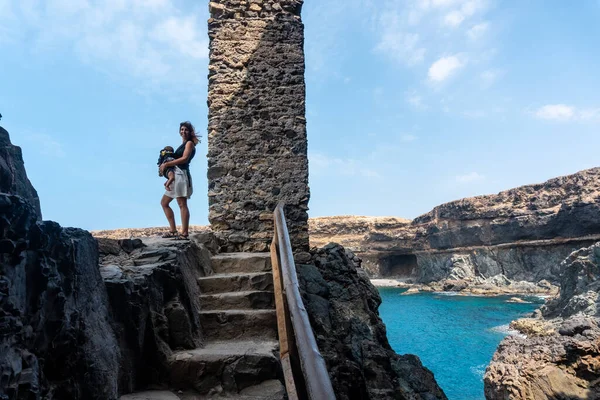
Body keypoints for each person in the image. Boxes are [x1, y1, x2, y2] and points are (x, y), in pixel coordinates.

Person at [159, 121, 199, 240]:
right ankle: (173, 230)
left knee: (182, 204)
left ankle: (185, 233)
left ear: (190, 132)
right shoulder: (182, 144)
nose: (183, 131)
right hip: (176, 175)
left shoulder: (190, 144)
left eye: (186, 129)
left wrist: (167, 164)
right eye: (182, 129)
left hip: (181, 174)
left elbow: (185, 159)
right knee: (164, 203)